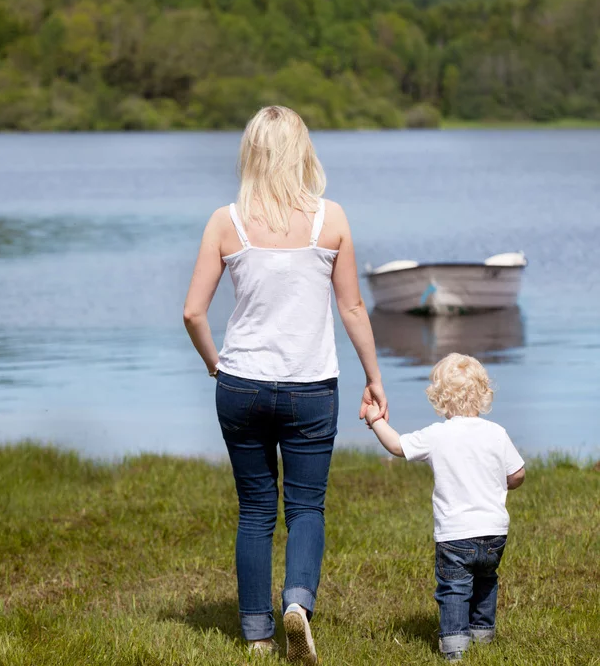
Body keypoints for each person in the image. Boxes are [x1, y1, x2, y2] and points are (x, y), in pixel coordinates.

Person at [183, 105, 388, 662]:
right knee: (305, 509)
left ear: (251, 152)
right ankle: (297, 602)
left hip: (241, 384)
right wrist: (373, 376)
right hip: (312, 387)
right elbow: (351, 306)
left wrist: (214, 366)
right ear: (303, 151)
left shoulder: (226, 221)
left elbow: (193, 314)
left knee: (254, 508)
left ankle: (255, 634)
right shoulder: (332, 218)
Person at [365, 352, 525, 661]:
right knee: (486, 581)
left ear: (439, 397)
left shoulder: (437, 434)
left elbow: (397, 446)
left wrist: (375, 420)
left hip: (455, 534)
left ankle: (454, 646)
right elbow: (517, 473)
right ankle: (482, 634)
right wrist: (507, 484)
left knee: (455, 587)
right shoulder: (496, 433)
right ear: (483, 393)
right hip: (494, 533)